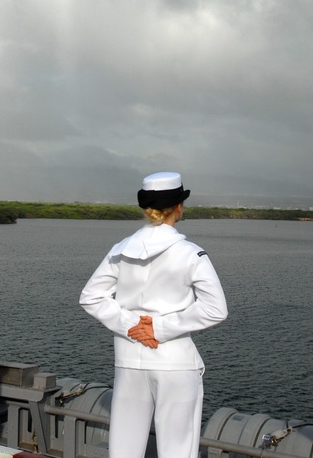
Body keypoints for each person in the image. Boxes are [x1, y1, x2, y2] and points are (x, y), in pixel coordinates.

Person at [79, 171, 228, 458]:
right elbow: (215, 308)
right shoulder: (190, 254)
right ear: (179, 207)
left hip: (129, 361)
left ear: (147, 208)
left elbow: (91, 297)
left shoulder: (120, 251)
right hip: (174, 361)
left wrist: (131, 325)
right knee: (177, 449)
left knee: (123, 449)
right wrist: (158, 328)